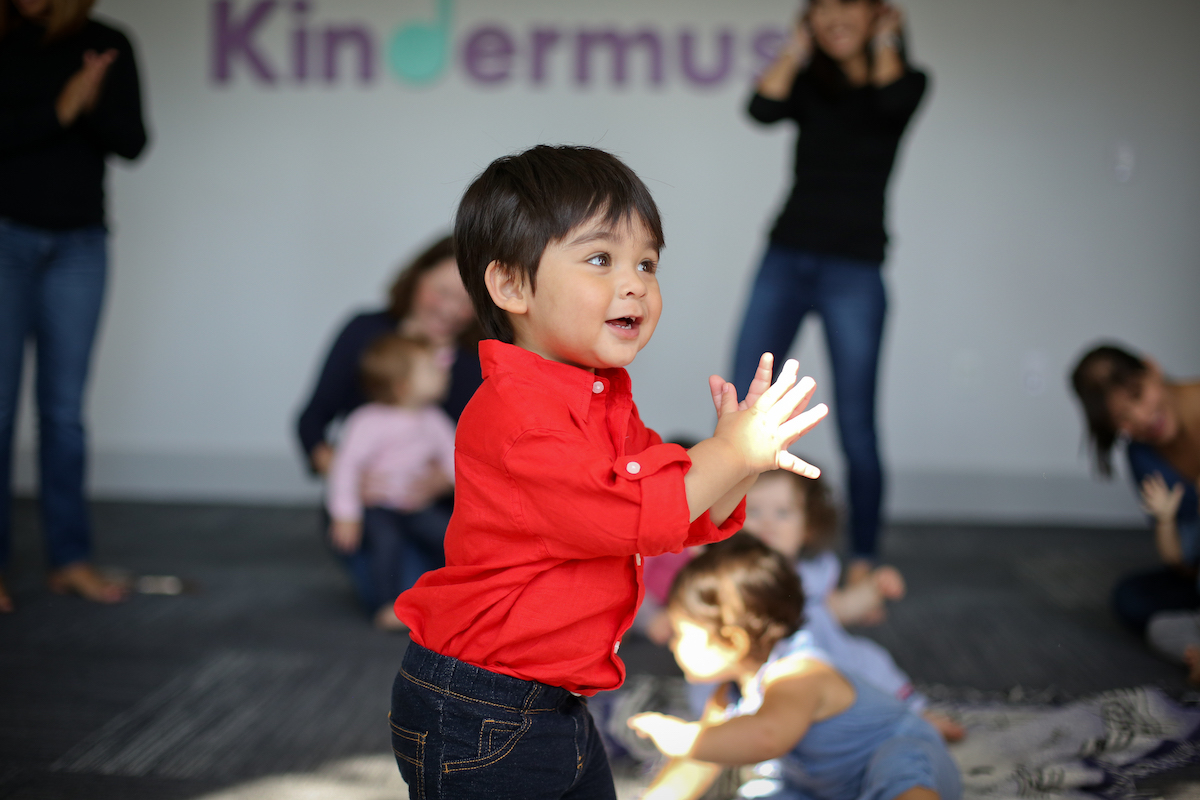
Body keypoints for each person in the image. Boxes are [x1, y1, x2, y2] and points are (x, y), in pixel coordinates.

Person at [389, 144, 829, 800]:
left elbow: (678, 513)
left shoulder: (601, 396)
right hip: (480, 708)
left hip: (553, 700)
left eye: (647, 263)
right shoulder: (521, 415)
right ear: (512, 286)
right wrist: (731, 452)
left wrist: (746, 461)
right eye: (601, 259)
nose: (636, 283)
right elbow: (637, 511)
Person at [732, 0, 928, 583]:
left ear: (878, 16)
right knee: (745, 403)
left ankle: (863, 559)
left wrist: (887, 40)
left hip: (856, 269)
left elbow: (892, 104)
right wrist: (796, 47)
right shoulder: (809, 84)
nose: (834, 17)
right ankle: (731, 539)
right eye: (822, 9)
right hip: (786, 254)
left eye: (849, 7)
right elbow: (760, 107)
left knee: (856, 423)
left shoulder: (906, 82)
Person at [0, 0, 148, 611]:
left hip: (81, 243)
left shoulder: (107, 42)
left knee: (63, 413)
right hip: (5, 235)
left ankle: (70, 559)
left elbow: (132, 141)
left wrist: (88, 104)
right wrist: (60, 108)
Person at [628, 533, 962, 800]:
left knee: (897, 770)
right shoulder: (727, 695)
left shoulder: (799, 674)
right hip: (825, 787)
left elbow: (767, 736)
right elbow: (698, 762)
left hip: (904, 756)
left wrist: (681, 737)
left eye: (683, 633)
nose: (672, 643)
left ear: (733, 641)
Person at [743, 468, 963, 741]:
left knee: (872, 663)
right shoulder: (735, 575)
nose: (767, 523)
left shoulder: (813, 572)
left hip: (828, 657)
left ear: (808, 528)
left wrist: (873, 589)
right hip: (768, 664)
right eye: (752, 512)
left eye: (783, 513)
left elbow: (836, 610)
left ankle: (911, 715)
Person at [325, 334, 456, 631]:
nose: (442, 373)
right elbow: (345, 468)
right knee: (386, 545)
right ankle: (386, 605)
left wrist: (449, 481)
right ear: (403, 386)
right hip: (378, 506)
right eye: (431, 369)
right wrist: (346, 514)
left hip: (416, 505)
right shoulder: (367, 421)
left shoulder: (433, 419)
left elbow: (456, 458)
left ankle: (455, 595)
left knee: (450, 535)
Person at [1070, 344, 1200, 638]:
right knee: (1130, 599)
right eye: (1124, 420)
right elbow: (1183, 561)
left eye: (1138, 396)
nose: (1142, 419)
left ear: (1152, 370)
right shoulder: (1141, 453)